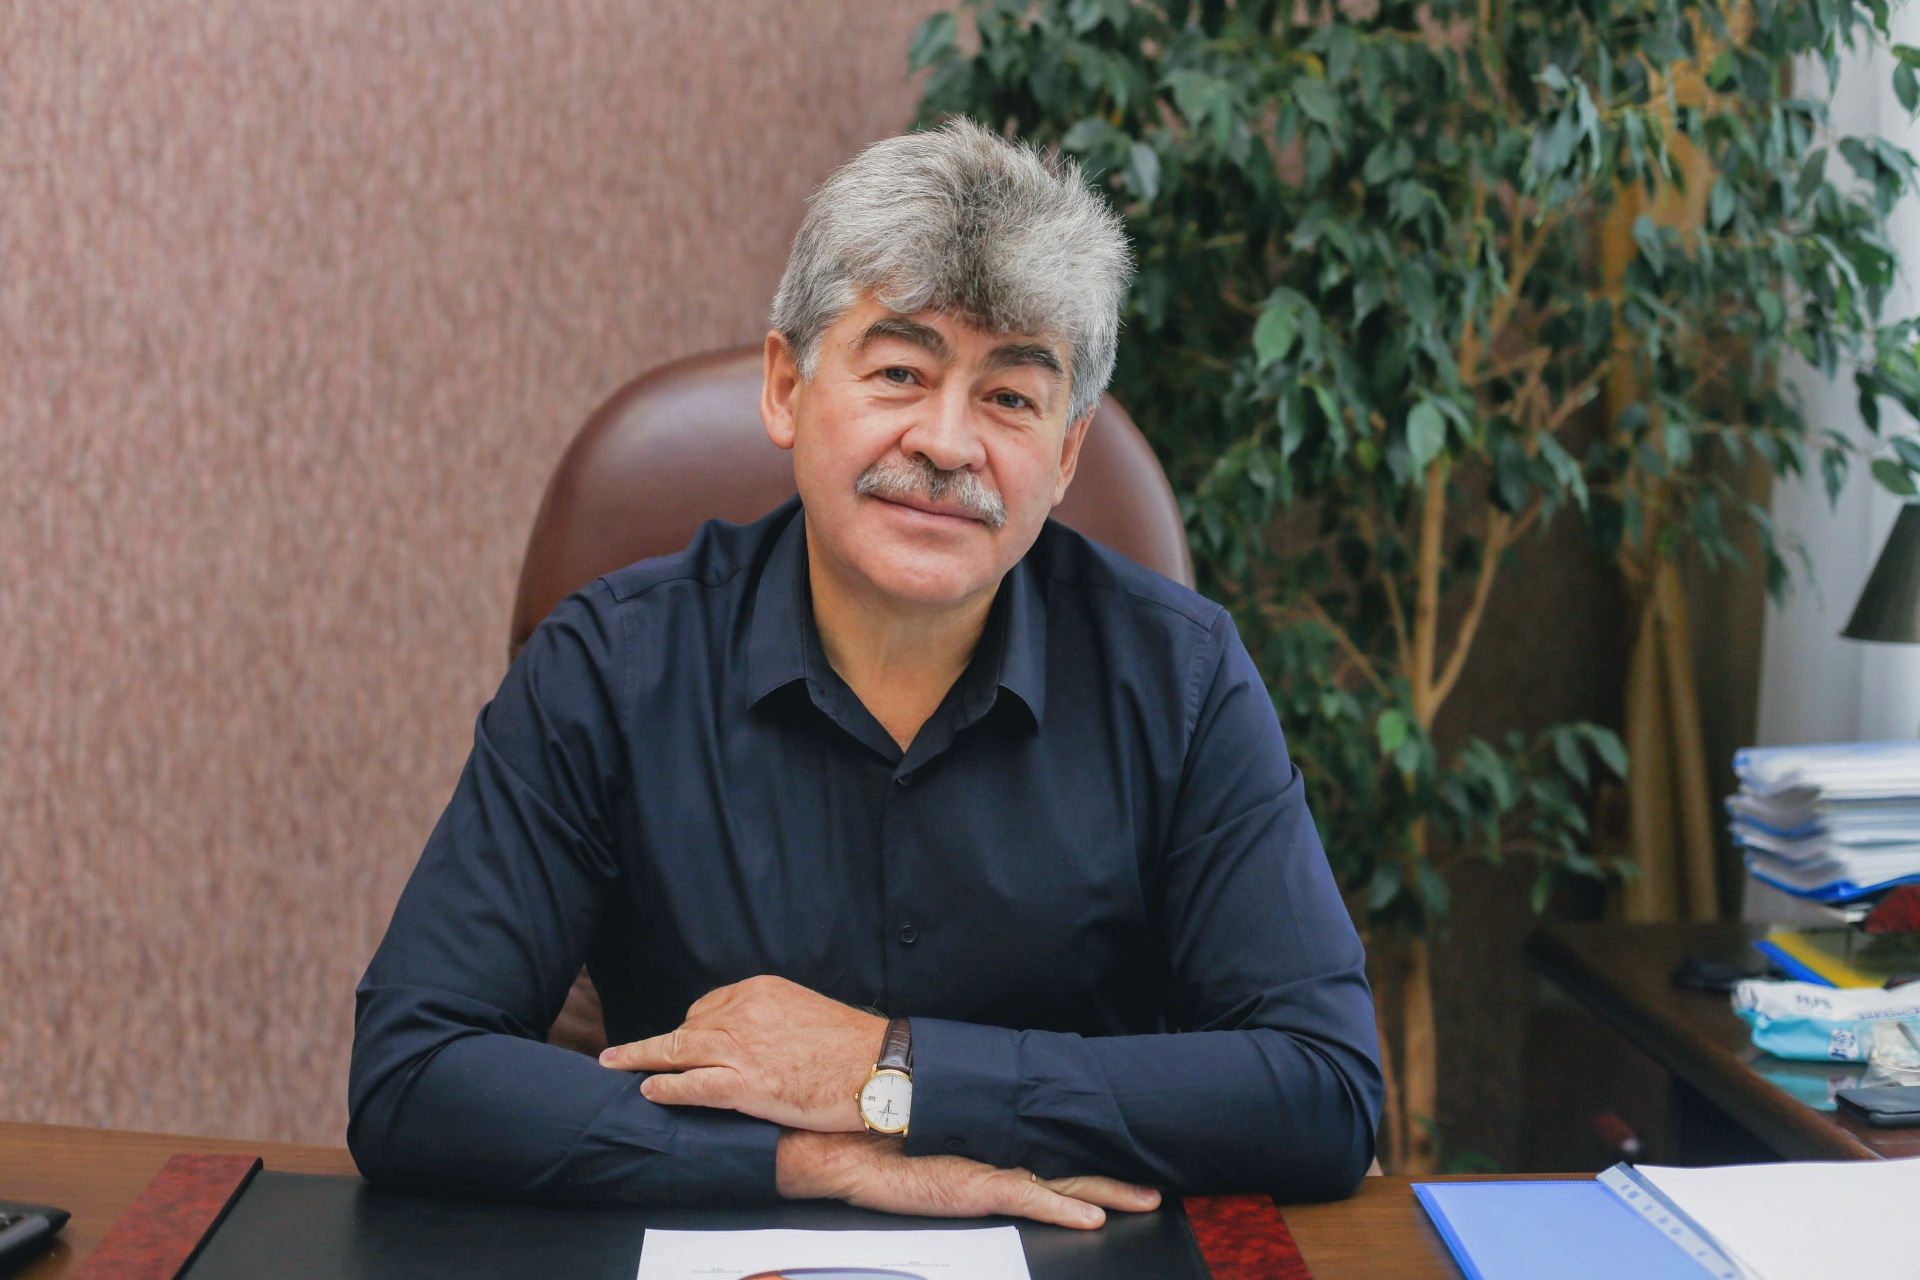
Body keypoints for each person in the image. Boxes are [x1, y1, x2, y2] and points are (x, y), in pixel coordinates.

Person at [348, 119, 1381, 1230]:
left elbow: (1323, 1091)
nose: (946, 442)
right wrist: (816, 1159)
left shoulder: (1180, 678)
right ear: (786, 388)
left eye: (1011, 397)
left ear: (1067, 455)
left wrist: (888, 1066)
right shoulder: (610, 666)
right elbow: (413, 1074)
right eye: (900, 372)